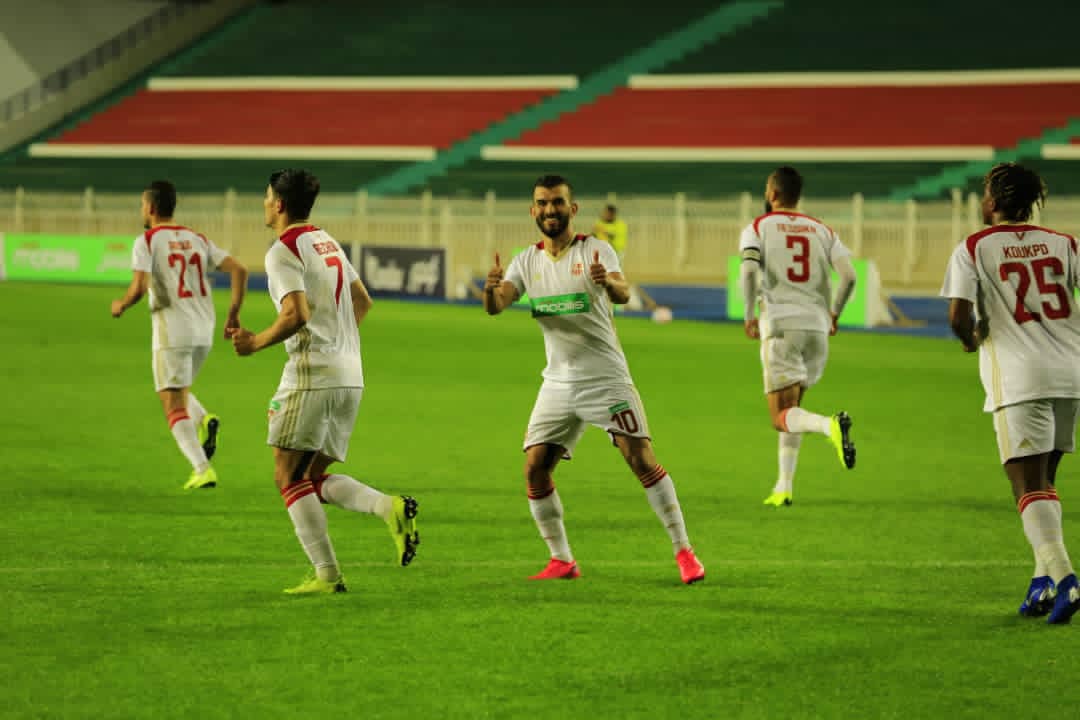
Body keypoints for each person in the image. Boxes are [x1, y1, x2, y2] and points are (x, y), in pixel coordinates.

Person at [483, 174, 705, 584]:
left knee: (640, 459)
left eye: (557, 202)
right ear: (533, 211)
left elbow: (623, 292)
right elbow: (497, 305)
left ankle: (685, 552)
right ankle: (562, 560)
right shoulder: (526, 261)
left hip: (605, 378)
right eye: (542, 203)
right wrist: (490, 289)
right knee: (535, 468)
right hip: (558, 382)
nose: (550, 210)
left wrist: (609, 283)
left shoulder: (595, 250)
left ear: (572, 208)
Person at [228, 169, 418, 595]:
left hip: (312, 376)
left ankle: (327, 575)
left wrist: (254, 343)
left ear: (279, 203)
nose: (264, 203)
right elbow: (362, 300)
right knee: (311, 477)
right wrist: (339, 345)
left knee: (287, 476)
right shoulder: (325, 241)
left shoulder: (283, 250)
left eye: (266, 196)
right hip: (350, 376)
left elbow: (296, 313)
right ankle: (387, 507)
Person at [941, 162, 1080, 624]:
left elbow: (958, 316)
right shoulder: (1065, 244)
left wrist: (970, 339)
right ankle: (1042, 583)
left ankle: (1066, 579)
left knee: (1026, 486)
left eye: (986, 193)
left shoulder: (974, 247)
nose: (983, 201)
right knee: (1045, 484)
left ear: (997, 200)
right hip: (1070, 374)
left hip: (1020, 377)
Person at [111, 180, 248, 490]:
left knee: (171, 403)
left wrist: (121, 304)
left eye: (142, 205)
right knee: (179, 390)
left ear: (150, 207)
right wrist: (233, 314)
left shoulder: (147, 241)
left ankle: (202, 469)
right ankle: (204, 420)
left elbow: (138, 286)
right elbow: (239, 270)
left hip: (173, 330)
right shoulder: (196, 238)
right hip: (204, 330)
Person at [738, 166, 857, 508]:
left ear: (773, 193)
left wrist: (749, 314)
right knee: (793, 410)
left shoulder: (758, 227)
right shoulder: (822, 229)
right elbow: (849, 276)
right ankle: (784, 486)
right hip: (817, 328)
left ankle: (829, 426)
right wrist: (835, 313)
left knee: (781, 416)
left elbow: (748, 271)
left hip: (781, 325)